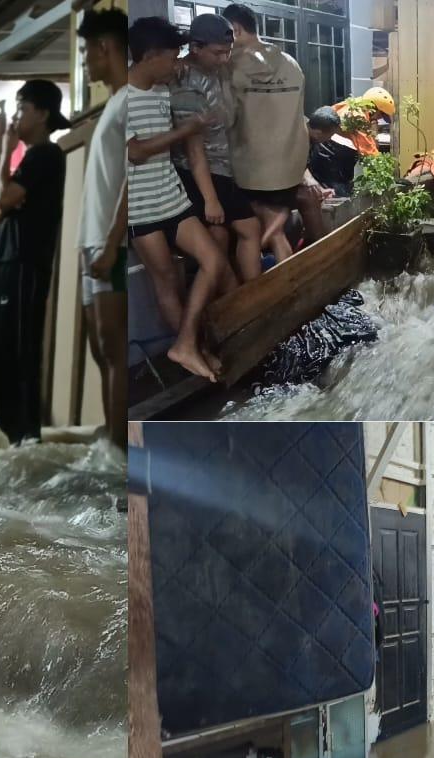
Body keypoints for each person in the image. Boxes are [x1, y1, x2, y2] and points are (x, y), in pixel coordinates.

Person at [126, 16, 228, 383]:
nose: (177, 63)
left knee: (212, 260)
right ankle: (194, 352)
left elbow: (190, 147)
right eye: (172, 57)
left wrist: (209, 198)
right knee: (166, 281)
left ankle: (186, 344)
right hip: (140, 209)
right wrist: (185, 130)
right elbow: (134, 152)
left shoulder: (162, 88)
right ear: (150, 56)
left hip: (173, 198)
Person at [0, 79, 68, 443]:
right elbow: (3, 201)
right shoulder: (34, 157)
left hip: (26, 261)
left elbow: (3, 200)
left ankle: (25, 434)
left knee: (21, 348)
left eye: (21, 109)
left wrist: (6, 150)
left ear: (42, 113)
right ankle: (11, 433)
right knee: (3, 348)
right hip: (11, 261)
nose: (16, 118)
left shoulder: (45, 154)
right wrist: (3, 205)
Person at [171, 13, 261, 286]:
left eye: (228, 52)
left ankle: (232, 305)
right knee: (249, 227)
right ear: (195, 48)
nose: (224, 59)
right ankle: (254, 298)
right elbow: (193, 150)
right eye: (218, 53)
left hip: (220, 166)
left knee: (220, 238)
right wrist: (210, 198)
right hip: (203, 171)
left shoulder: (214, 69)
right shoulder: (186, 82)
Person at [77, 6, 129, 451]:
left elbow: (137, 175)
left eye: (86, 52)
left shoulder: (132, 99)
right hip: (91, 240)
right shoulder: (113, 102)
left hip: (110, 242)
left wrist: (113, 242)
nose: (85, 62)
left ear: (104, 47)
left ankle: (118, 449)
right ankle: (110, 443)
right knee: (100, 350)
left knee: (114, 350)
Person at [223, 2, 308, 263]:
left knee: (253, 235)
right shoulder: (291, 63)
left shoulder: (230, 68)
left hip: (252, 169)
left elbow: (225, 119)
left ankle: (266, 291)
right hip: (290, 166)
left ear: (236, 30)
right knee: (275, 231)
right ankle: (287, 283)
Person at [306, 106, 360, 197]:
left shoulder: (309, 128)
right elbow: (300, 169)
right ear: (318, 133)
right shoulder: (300, 143)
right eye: (330, 135)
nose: (330, 139)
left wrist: (319, 189)